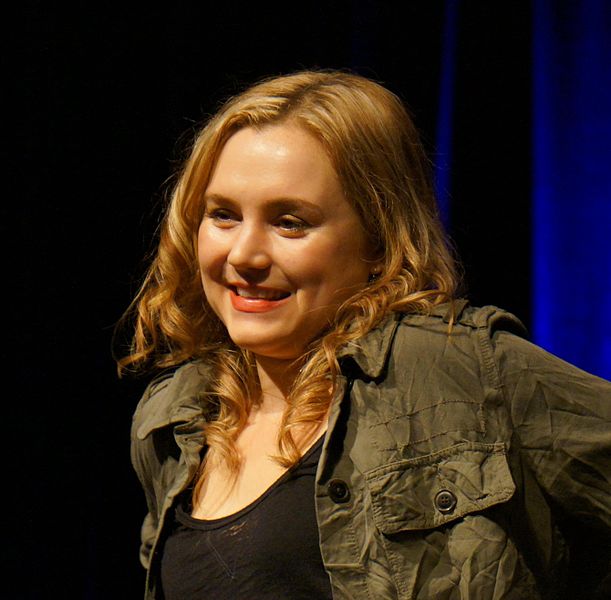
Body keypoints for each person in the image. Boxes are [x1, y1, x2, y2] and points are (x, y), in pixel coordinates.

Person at [117, 70, 611, 600]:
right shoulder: (173, 419)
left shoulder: (460, 369)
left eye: (290, 222)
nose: (243, 254)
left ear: (378, 238)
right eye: (223, 216)